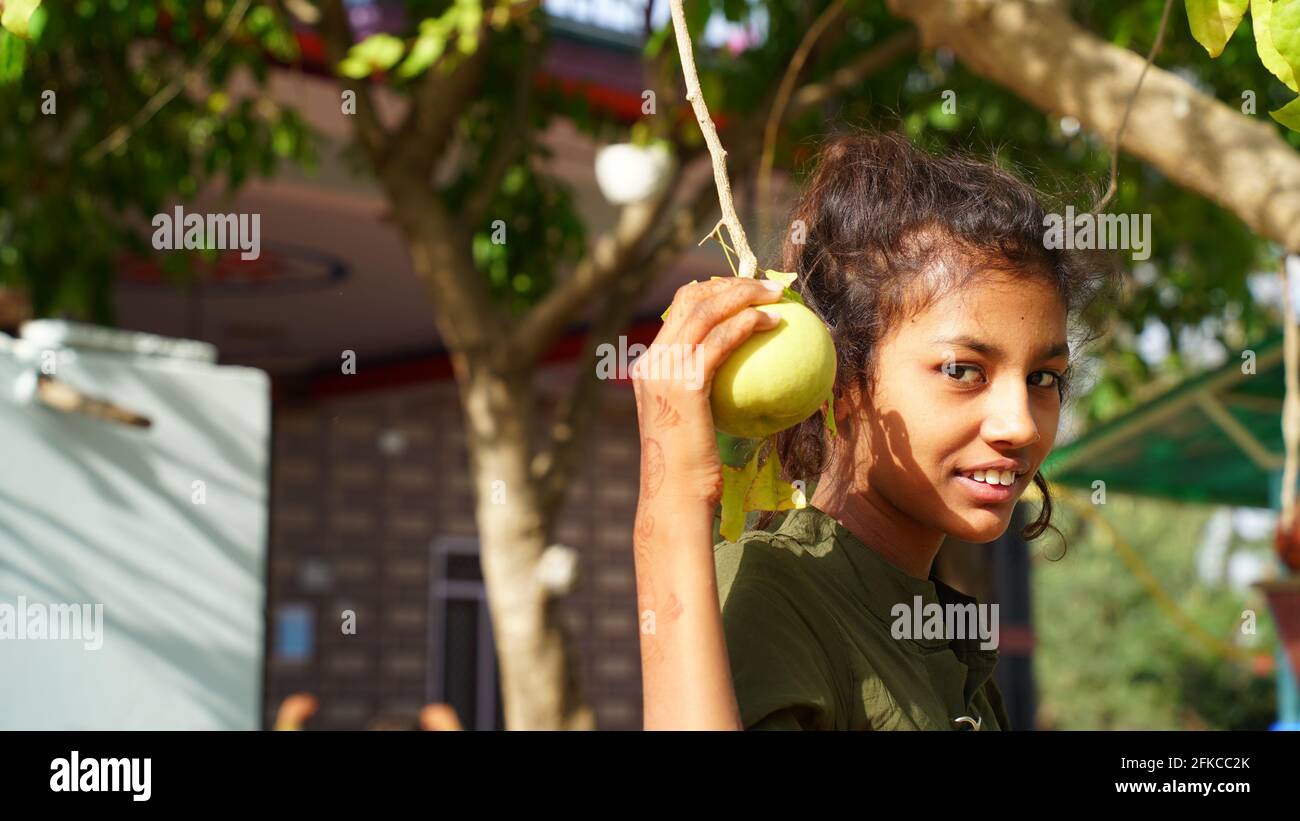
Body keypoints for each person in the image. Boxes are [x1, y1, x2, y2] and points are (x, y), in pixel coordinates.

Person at [630, 130, 1115, 730]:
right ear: (843, 381)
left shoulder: (950, 648)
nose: (1019, 424)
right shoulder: (773, 597)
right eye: (963, 370)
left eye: (1044, 378)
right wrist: (672, 497)